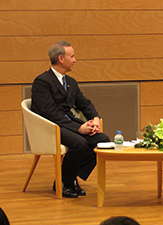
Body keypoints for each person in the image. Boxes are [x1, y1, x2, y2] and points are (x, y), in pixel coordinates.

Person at [31, 41, 110, 198]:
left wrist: (95, 118)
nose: (75, 60)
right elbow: (49, 112)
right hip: (51, 127)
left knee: (102, 140)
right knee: (79, 143)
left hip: (69, 124)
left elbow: (84, 103)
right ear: (61, 59)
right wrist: (79, 128)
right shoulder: (42, 82)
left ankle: (67, 178)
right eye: (72, 56)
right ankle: (67, 182)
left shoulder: (71, 82)